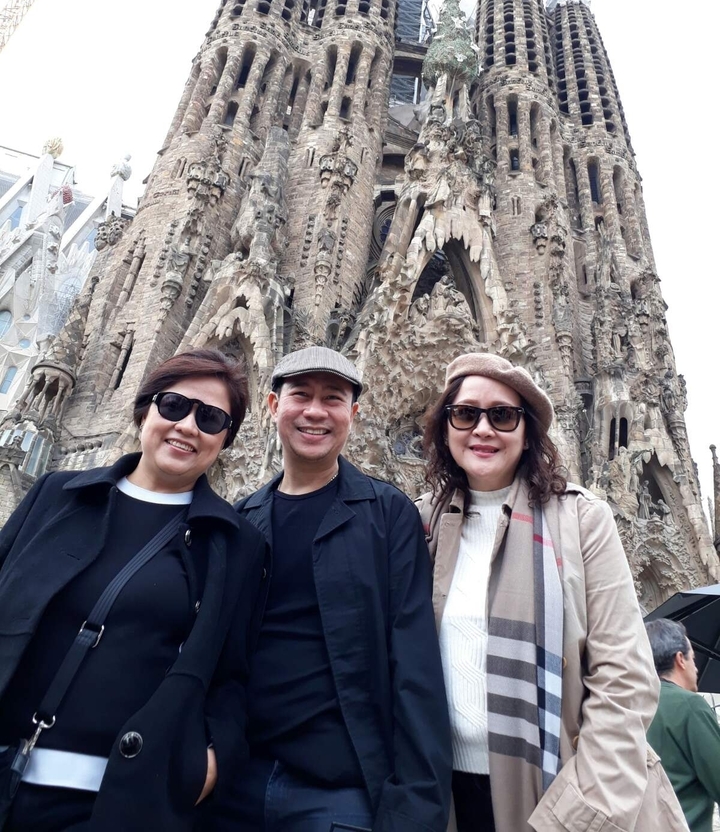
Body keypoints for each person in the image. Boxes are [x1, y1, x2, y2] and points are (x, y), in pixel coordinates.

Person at [417, 352, 688, 832]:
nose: (482, 429)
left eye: (502, 415)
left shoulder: (582, 521)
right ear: (444, 426)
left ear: (527, 433)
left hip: (563, 792)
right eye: (465, 413)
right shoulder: (421, 524)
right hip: (446, 795)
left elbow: (625, 681)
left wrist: (576, 816)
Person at [0, 349, 266, 832]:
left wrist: (210, 762)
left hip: (113, 805)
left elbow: (233, 674)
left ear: (225, 440)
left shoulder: (233, 543)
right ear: (145, 410)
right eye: (173, 406)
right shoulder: (56, 495)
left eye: (209, 418)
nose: (187, 426)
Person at [226, 346, 452, 832]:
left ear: (352, 414)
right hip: (235, 781)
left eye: (332, 399)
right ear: (272, 407)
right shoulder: (240, 520)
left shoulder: (388, 514)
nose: (314, 411)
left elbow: (414, 662)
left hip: (339, 792)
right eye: (300, 395)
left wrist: (415, 807)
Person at [646, 618, 720, 832]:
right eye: (694, 659)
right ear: (680, 659)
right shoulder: (690, 705)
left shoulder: (633, 702)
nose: (696, 669)